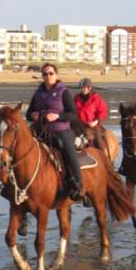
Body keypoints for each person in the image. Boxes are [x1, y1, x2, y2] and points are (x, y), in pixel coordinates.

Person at [25, 63, 84, 201]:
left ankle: (78, 184)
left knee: (67, 151)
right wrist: (33, 115)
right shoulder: (38, 93)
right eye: (45, 74)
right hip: (41, 132)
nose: (48, 76)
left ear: (56, 75)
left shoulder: (64, 92)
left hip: (61, 130)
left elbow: (72, 114)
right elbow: (28, 114)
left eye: (51, 73)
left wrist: (58, 116)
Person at [72, 77, 109, 149]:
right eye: (82, 87)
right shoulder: (76, 99)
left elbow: (103, 111)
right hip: (79, 126)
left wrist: (96, 121)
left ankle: (103, 157)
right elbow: (72, 112)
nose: (83, 89)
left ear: (89, 88)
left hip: (93, 126)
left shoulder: (96, 98)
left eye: (85, 87)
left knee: (100, 145)